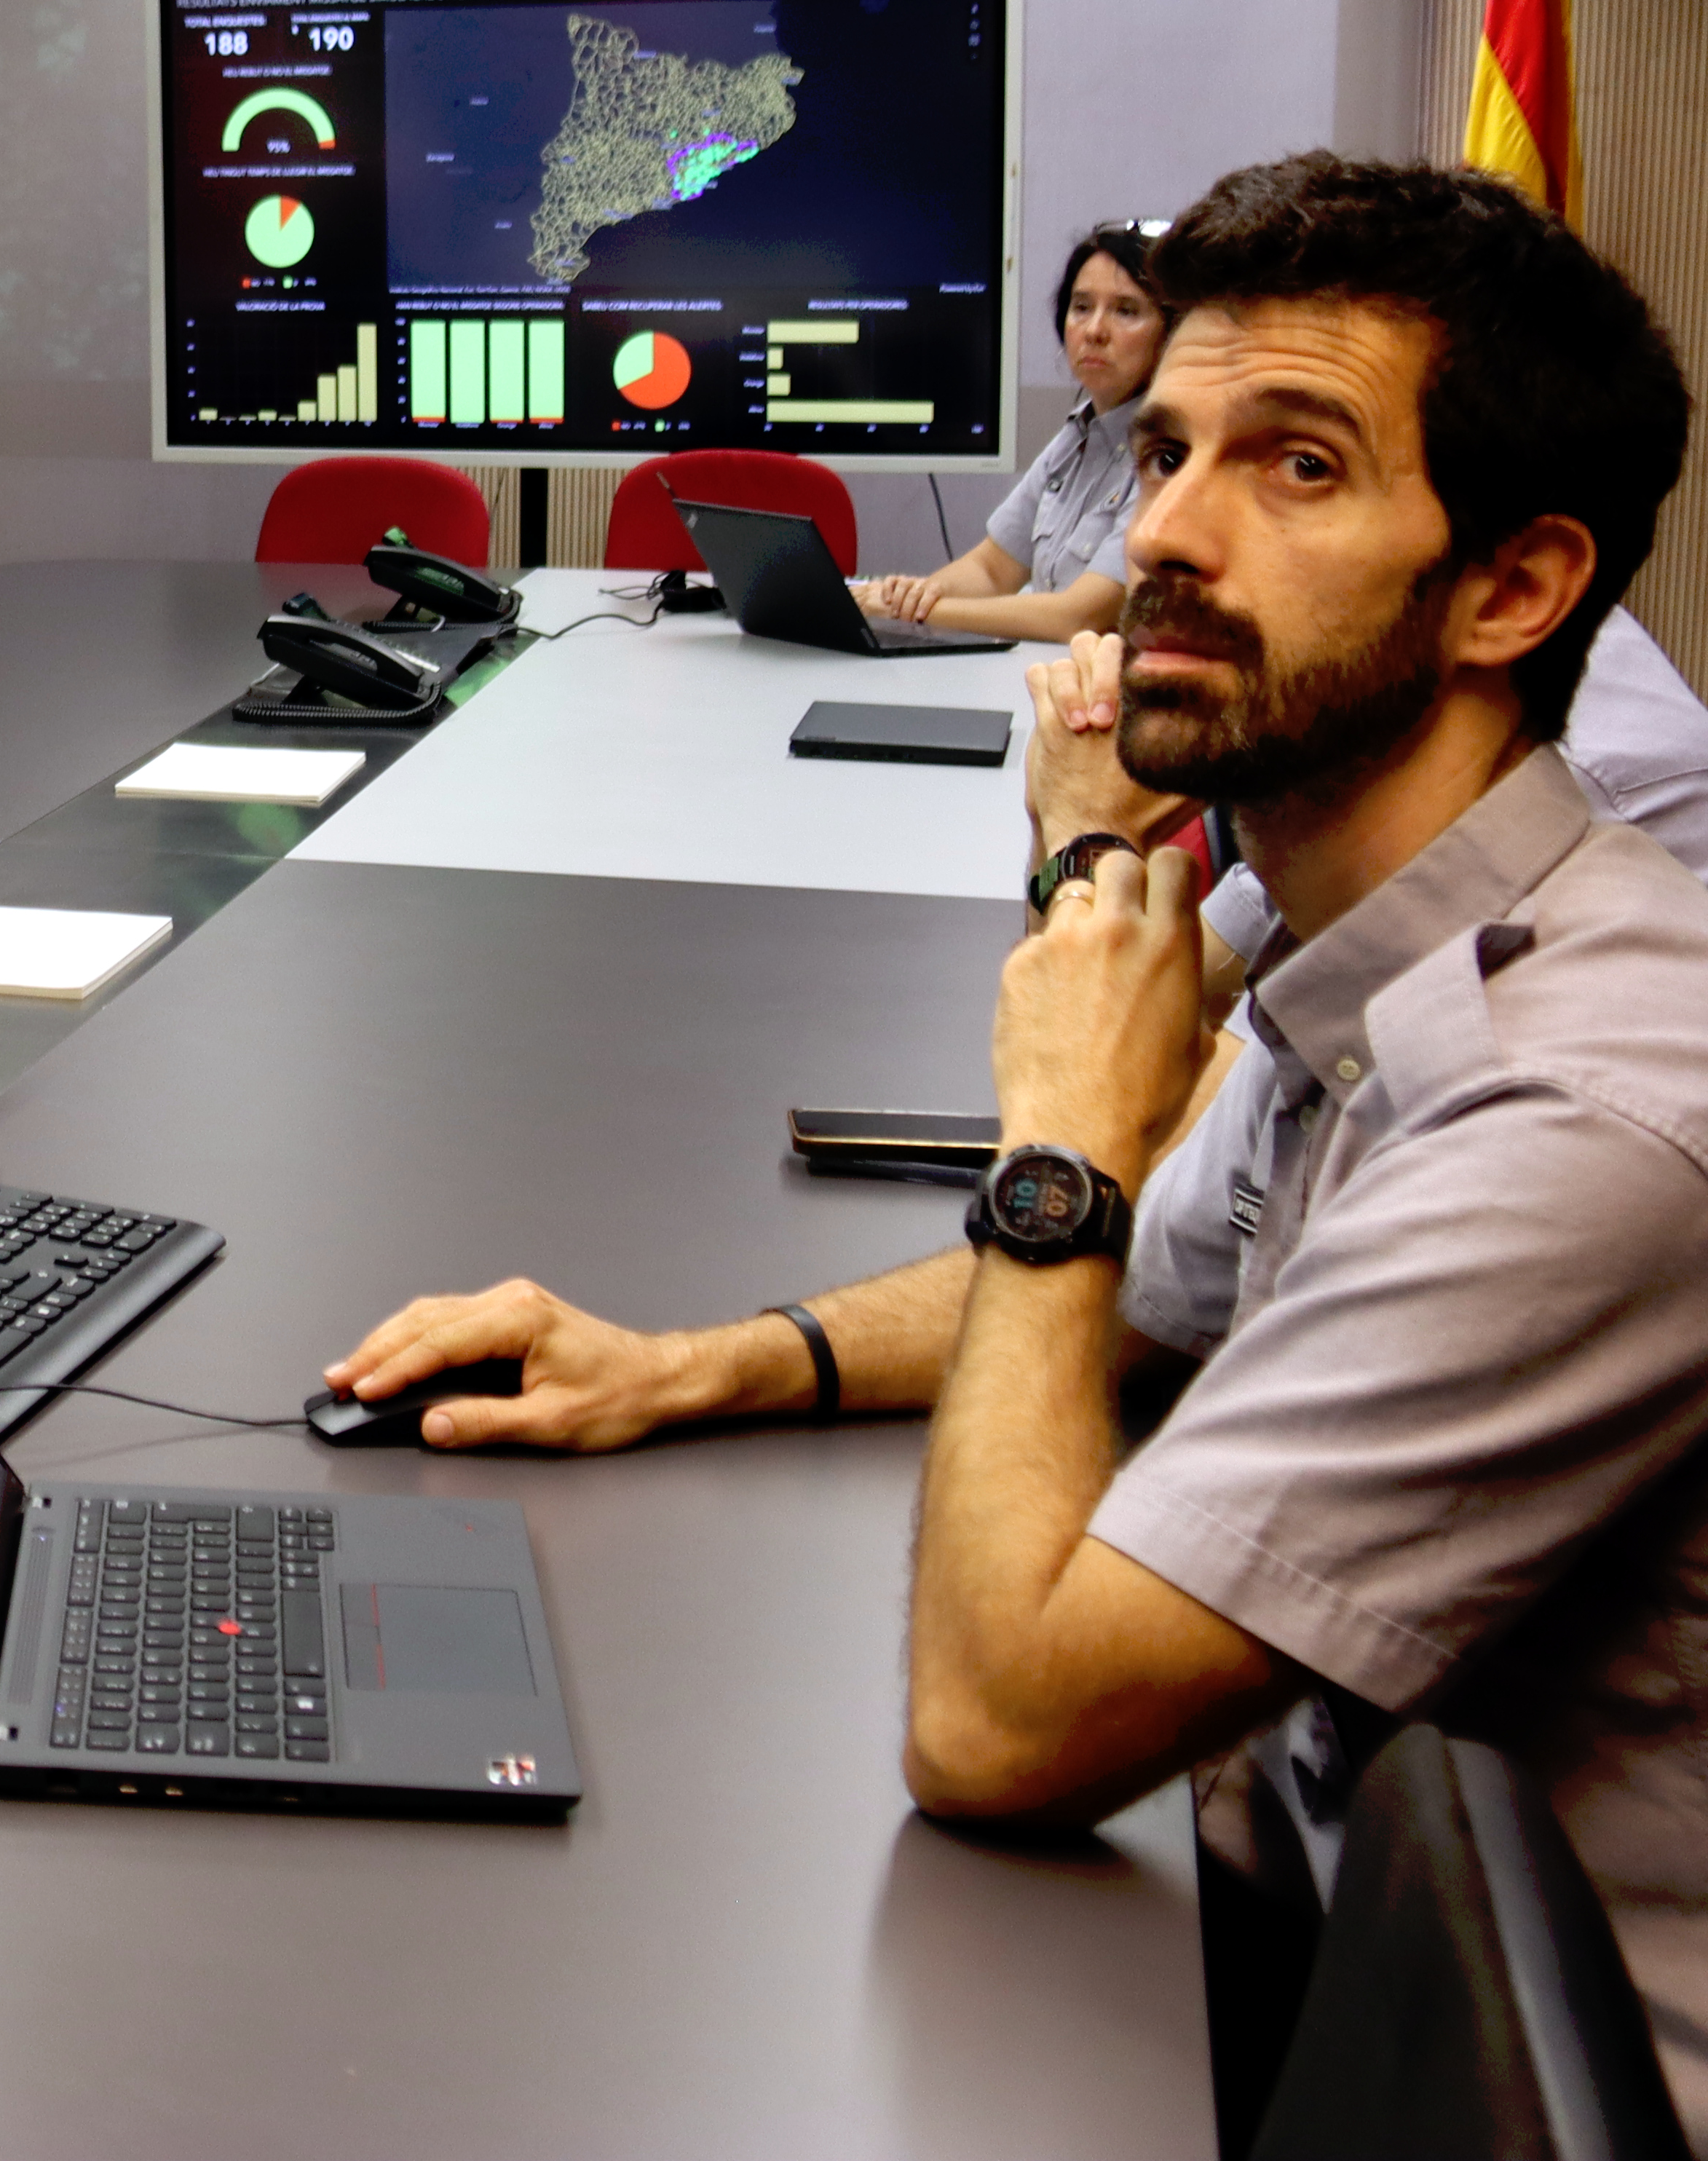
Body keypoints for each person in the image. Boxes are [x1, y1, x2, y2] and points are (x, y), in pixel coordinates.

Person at [320, 155, 1708, 2145]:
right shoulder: (1373, 944)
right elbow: (1152, 1295)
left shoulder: (1579, 1105)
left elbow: (998, 1726)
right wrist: (702, 1361)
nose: (1166, 533)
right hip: (1298, 1936)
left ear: (1514, 585)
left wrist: (1065, 1123)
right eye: (1169, 453)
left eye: (1296, 469)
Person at [855, 224, 1165, 642]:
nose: (1094, 330)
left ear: (1170, 334)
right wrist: (911, 597)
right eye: (1081, 307)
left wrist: (921, 611)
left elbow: (1077, 618)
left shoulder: (1168, 457)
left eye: (1126, 310)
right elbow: (992, 569)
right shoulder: (1077, 437)